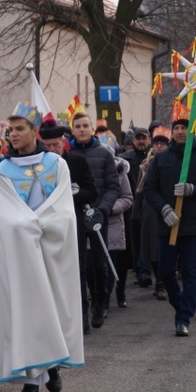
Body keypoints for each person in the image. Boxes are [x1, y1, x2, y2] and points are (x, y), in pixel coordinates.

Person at [0, 102, 84, 392]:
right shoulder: (1, 172)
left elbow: (64, 210)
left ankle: (52, 364)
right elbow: (2, 216)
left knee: (51, 307)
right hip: (21, 252)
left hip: (51, 246)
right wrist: (24, 228)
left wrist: (41, 226)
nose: (13, 134)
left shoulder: (58, 165)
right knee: (25, 310)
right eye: (10, 129)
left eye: (19, 129)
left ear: (34, 131)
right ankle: (31, 380)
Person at [143, 117, 196, 337]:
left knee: (190, 272)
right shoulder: (161, 159)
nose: (179, 132)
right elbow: (150, 189)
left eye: (184, 128)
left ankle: (183, 319)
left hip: (195, 225)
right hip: (168, 224)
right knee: (167, 271)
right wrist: (164, 209)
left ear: (192, 131)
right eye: (176, 128)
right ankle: (181, 306)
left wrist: (192, 190)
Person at [39, 117, 97, 333]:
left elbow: (92, 191)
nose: (52, 149)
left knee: (76, 270)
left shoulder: (77, 162)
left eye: (56, 144)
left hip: (73, 224)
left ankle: (81, 316)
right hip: (45, 225)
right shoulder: (38, 165)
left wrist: (76, 193)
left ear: (64, 142)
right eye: (47, 146)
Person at [68, 112, 120, 329]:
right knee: (78, 265)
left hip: (96, 215)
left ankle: (100, 301)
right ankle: (82, 310)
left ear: (92, 128)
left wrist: (102, 209)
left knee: (99, 263)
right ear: (72, 130)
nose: (81, 129)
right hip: (73, 216)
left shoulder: (104, 154)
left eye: (85, 125)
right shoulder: (65, 156)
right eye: (77, 126)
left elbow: (113, 186)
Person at [134, 125, 171, 300]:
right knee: (152, 246)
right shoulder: (146, 164)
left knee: (165, 246)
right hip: (150, 209)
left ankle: (164, 281)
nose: (159, 146)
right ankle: (159, 282)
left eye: (163, 143)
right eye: (157, 143)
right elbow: (140, 190)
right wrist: (136, 213)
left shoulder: (173, 162)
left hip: (168, 206)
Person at [98, 133, 134, 312]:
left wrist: (109, 208)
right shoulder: (91, 168)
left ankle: (105, 300)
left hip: (112, 223)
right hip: (92, 224)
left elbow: (127, 198)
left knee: (110, 265)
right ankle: (97, 298)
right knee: (93, 266)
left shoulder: (120, 172)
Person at [120, 127, 153, 288]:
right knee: (134, 239)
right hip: (129, 205)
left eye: (144, 138)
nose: (141, 141)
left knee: (145, 238)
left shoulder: (154, 158)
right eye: (138, 138)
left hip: (148, 204)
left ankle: (144, 271)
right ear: (133, 141)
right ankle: (139, 268)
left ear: (149, 140)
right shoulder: (124, 159)